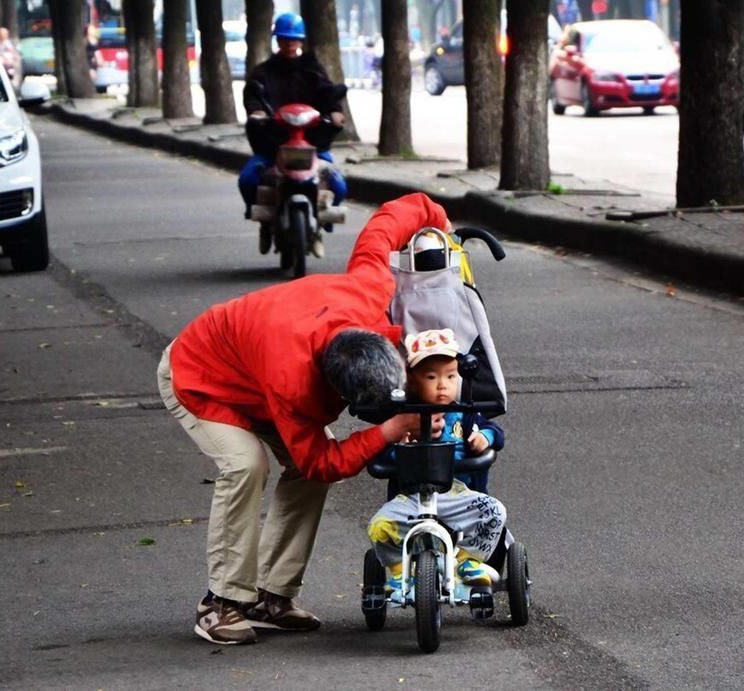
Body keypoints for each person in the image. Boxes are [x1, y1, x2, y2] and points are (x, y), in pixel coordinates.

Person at [157, 193, 450, 646]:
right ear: (333, 386)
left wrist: (438, 220)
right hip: (200, 374)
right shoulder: (292, 382)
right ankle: (220, 602)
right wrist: (389, 431)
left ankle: (271, 596)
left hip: (253, 368)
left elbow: (385, 224)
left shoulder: (369, 290)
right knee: (245, 465)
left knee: (303, 475)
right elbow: (319, 461)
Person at [367, 328, 507, 601]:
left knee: (495, 512)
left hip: (455, 490)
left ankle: (469, 559)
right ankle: (398, 569)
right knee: (378, 525)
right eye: (431, 377)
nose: (443, 384)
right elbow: (381, 456)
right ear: (413, 381)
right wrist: (400, 446)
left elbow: (495, 431)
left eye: (450, 376)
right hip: (412, 494)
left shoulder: (464, 413)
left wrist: (484, 438)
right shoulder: (403, 417)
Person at [239, 11, 348, 259]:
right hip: (274, 144)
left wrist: (334, 111)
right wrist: (256, 111)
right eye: (285, 39)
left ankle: (320, 226)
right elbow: (253, 95)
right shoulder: (263, 72)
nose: (290, 44)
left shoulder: (313, 70)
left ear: (301, 41)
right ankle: (265, 225)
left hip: (311, 143)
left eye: (294, 39)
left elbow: (328, 93)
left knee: (339, 185)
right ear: (277, 40)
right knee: (248, 179)